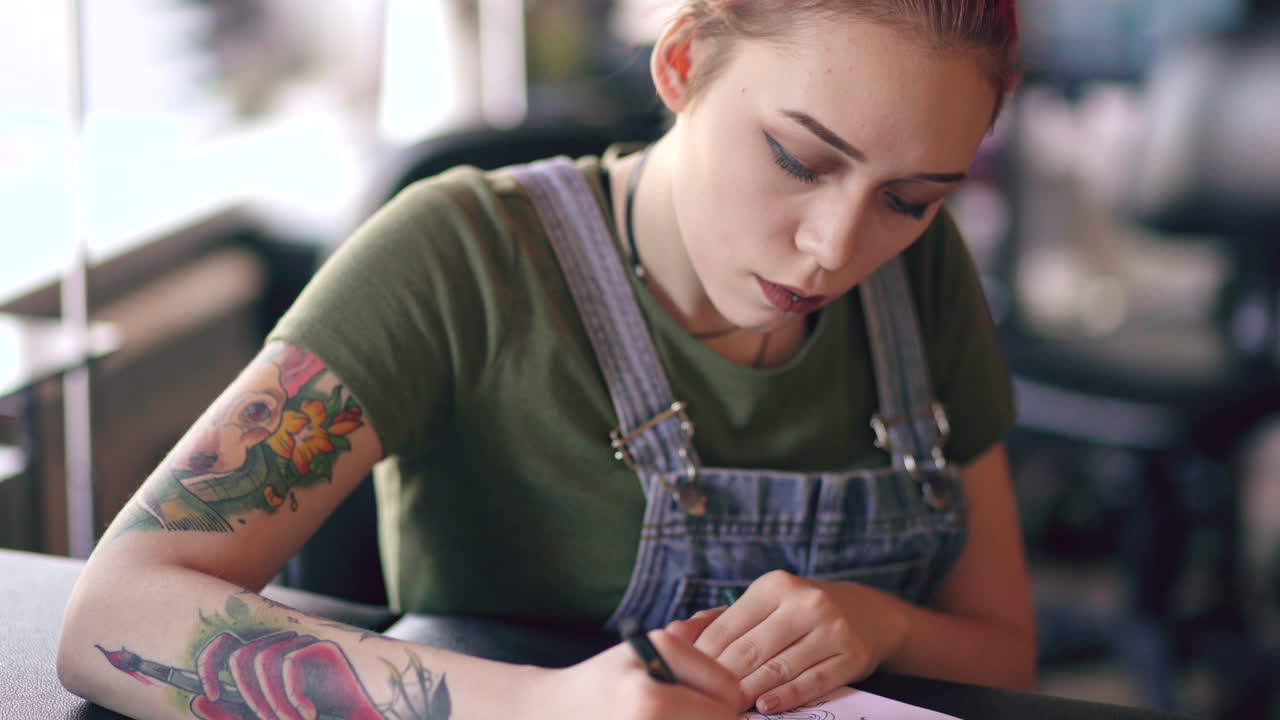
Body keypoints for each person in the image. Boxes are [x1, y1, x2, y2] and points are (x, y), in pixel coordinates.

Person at [58, 1, 1035, 718]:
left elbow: (1004, 657)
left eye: (908, 200)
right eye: (797, 159)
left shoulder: (921, 281)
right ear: (684, 63)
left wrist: (880, 624)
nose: (834, 246)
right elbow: (114, 617)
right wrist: (537, 710)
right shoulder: (459, 257)